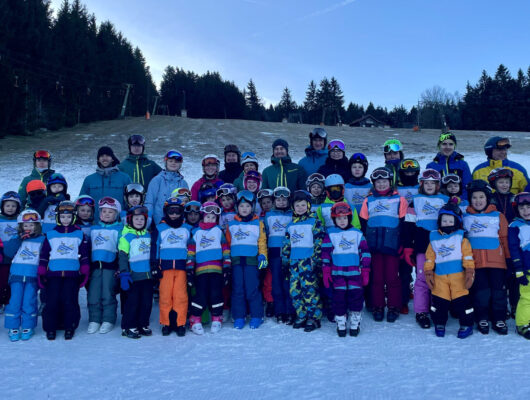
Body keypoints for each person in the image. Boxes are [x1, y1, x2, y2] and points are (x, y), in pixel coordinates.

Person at [359, 167, 408, 323]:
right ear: (374, 183)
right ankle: (377, 306)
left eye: (384, 181)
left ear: (390, 182)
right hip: (374, 246)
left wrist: (402, 244)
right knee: (377, 279)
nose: (381, 184)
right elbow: (363, 224)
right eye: (378, 182)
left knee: (392, 278)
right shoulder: (368, 200)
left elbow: (404, 224)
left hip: (392, 246)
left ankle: (394, 306)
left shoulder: (399, 200)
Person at [403, 169, 448, 329]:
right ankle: (421, 311)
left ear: (438, 185)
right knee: (422, 279)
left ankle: (437, 308)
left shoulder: (445, 200)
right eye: (426, 183)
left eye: (433, 183)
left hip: (442, 247)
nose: (429, 186)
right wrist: (408, 247)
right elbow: (408, 226)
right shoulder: (414, 201)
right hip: (422, 246)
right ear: (421, 184)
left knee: (439, 278)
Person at [463, 180, 510, 335]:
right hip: (476, 263)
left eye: (481, 197)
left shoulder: (498, 216)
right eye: (474, 198)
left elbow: (504, 239)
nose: (478, 201)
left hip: (497, 262)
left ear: (487, 198)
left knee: (498, 292)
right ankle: (482, 317)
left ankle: (499, 318)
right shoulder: (465, 217)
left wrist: (509, 260)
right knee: (481, 292)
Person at [38, 201, 90, 340]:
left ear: (73, 217)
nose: (65, 220)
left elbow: (84, 253)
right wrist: (42, 268)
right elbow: (44, 254)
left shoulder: (79, 234)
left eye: (68, 217)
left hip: (72, 274)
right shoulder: (51, 234)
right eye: (62, 217)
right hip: (53, 274)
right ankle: (51, 328)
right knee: (52, 301)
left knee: (69, 301)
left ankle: (69, 326)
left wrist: (85, 267)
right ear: (57, 218)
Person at [423, 203, 475, 339]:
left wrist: (469, 271)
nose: (447, 223)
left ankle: (467, 324)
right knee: (440, 302)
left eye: (450, 221)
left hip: (458, 277)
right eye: (444, 220)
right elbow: (430, 257)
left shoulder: (461, 237)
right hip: (440, 276)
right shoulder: (434, 238)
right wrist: (428, 272)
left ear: (457, 222)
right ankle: (439, 323)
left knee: (462, 302)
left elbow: (467, 256)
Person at [322, 202, 370, 337]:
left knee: (356, 297)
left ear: (349, 218)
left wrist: (365, 270)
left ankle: (355, 323)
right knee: (339, 299)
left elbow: (365, 252)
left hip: (355, 274)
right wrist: (326, 270)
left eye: (344, 218)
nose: (342, 221)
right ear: (334, 219)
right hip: (337, 274)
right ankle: (341, 323)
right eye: (338, 218)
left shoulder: (357, 233)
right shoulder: (330, 234)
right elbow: (325, 253)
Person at [282, 190, 325, 332]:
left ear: (308, 205)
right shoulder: (290, 225)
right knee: (295, 290)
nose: (300, 208)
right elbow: (287, 244)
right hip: (294, 263)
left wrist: (317, 261)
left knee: (309, 290)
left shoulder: (314, 222)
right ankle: (301, 314)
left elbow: (319, 242)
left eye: (302, 205)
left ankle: (314, 317)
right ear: (293, 207)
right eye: (297, 205)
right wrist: (285, 261)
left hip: (308, 262)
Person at [186, 202, 231, 335]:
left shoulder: (218, 232)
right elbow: (191, 252)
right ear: (202, 217)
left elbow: (225, 250)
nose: (210, 220)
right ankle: (195, 319)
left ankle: (217, 317)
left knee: (216, 294)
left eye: (213, 217)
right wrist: (189, 269)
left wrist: (227, 267)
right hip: (200, 271)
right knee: (201, 295)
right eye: (207, 217)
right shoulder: (196, 233)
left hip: (216, 270)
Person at [226, 190, 268, 329]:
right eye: (242, 206)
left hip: (251, 262)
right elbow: (227, 242)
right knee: (238, 289)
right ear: (237, 207)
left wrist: (263, 255)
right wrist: (226, 259)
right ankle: (239, 316)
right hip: (236, 262)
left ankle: (256, 315)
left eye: (248, 206)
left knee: (252, 288)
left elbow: (261, 241)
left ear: (253, 207)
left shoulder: (258, 223)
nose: (244, 209)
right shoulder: (231, 224)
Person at [4, 210, 45, 341]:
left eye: (32, 225)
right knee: (15, 301)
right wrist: (18, 239)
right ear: (21, 227)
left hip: (32, 275)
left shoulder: (42, 239)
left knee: (29, 301)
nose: (29, 228)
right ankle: (13, 326)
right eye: (25, 225)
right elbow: (8, 252)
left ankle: (28, 325)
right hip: (17, 274)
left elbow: (45, 256)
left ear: (37, 226)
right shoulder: (16, 238)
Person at [155, 197, 191, 337]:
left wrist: (190, 266)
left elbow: (192, 248)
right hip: (165, 268)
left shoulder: (187, 228)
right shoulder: (160, 228)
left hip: (181, 268)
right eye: (171, 211)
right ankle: (167, 323)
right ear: (166, 212)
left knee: (180, 296)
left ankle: (180, 323)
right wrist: (154, 265)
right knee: (165, 296)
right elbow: (155, 247)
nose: (174, 215)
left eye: (177, 211)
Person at [86, 197, 122, 335]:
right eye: (104, 211)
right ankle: (94, 319)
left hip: (110, 266)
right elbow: (88, 247)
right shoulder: (94, 229)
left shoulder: (119, 229)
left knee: (108, 293)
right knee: (93, 294)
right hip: (95, 267)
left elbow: (121, 249)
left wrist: (119, 266)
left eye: (111, 212)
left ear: (116, 214)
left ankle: (108, 319)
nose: (106, 214)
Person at [118, 206, 153, 339]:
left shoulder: (148, 235)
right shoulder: (126, 237)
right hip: (133, 276)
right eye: (136, 219)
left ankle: (142, 324)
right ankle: (128, 326)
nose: (139, 221)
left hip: (148, 275)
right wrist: (124, 274)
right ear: (130, 220)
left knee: (146, 302)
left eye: (142, 219)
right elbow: (122, 256)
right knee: (132, 303)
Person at [264, 186, 293, 323]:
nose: (281, 202)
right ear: (274, 201)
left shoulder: (292, 215)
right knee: (276, 282)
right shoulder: (269, 215)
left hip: (289, 253)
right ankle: (279, 310)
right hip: (274, 252)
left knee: (287, 282)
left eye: (284, 199)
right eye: (278, 199)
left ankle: (289, 310)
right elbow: (265, 233)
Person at [79, 146, 131, 219]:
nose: (104, 158)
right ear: (98, 159)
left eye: (107, 155)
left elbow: (130, 202)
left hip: (118, 224)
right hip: (95, 223)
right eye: (102, 156)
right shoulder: (89, 179)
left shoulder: (124, 178)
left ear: (112, 158)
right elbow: (82, 201)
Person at [507, 192, 530, 339]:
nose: (526, 211)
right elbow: (514, 249)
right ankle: (522, 324)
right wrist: (519, 270)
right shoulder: (515, 226)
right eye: (522, 208)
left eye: (528, 207)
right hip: (526, 268)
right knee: (527, 297)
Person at [145, 150, 188, 225]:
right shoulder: (157, 180)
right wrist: (148, 220)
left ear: (180, 164)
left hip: (178, 224)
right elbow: (150, 202)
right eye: (170, 161)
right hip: (159, 223)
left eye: (176, 162)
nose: (173, 163)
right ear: (166, 162)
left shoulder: (183, 183)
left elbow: (186, 203)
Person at [426, 132, 472, 196]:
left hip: (460, 203)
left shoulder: (463, 165)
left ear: (454, 146)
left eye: (451, 144)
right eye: (444, 144)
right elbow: (429, 188)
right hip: (439, 202)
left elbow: (468, 187)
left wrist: (460, 200)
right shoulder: (431, 166)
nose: (447, 147)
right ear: (439, 146)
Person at [0, 192, 22, 313]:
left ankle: (9, 300)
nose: (10, 208)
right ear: (2, 206)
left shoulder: (20, 220)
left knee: (12, 280)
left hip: (16, 255)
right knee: (2, 279)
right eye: (7, 205)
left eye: (13, 206)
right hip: (2, 255)